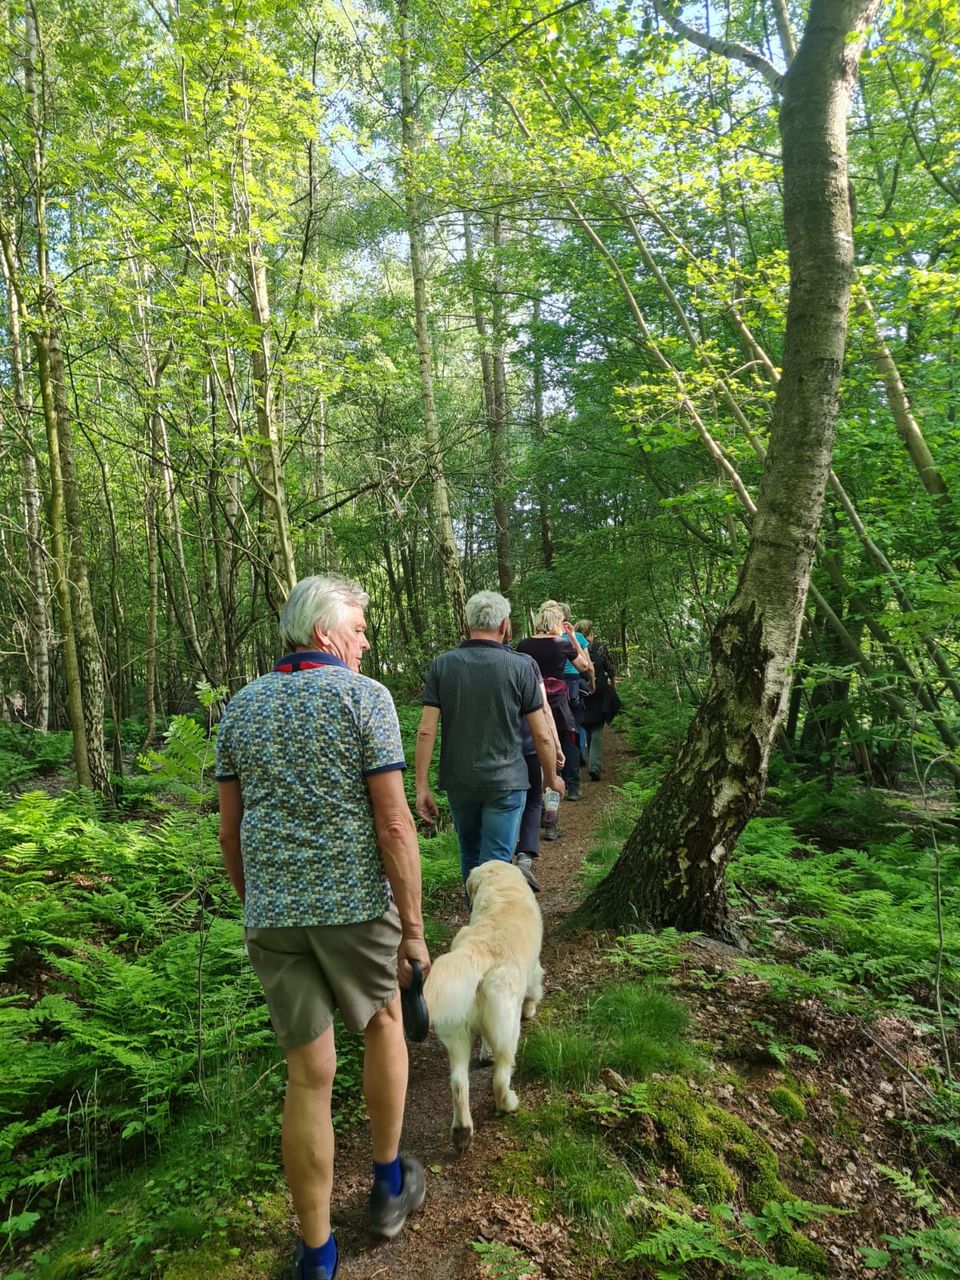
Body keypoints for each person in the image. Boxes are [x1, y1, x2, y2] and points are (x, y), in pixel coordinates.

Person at [216, 575, 431, 1280]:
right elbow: (394, 823)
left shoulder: (241, 708)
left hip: (273, 913)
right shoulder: (363, 698)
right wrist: (414, 930)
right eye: (360, 629)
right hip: (354, 905)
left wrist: (259, 901)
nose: (365, 642)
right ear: (324, 632)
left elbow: (230, 831)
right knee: (384, 1023)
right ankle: (388, 1186)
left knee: (307, 1077)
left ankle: (317, 1255)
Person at [415, 590, 565, 884]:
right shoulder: (520, 666)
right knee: (496, 862)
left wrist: (422, 786)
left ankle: (475, 911)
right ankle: (489, 913)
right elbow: (542, 735)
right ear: (504, 625)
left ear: (467, 623)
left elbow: (426, 730)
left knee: (470, 854)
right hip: (506, 782)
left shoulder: (442, 665)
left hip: (460, 781)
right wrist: (550, 777)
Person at [505, 618, 564, 892]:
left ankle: (506, 856)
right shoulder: (526, 662)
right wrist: (555, 746)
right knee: (533, 799)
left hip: (500, 748)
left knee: (510, 802)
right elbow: (543, 709)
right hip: (528, 742)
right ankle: (525, 858)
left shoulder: (524, 649)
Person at [516, 601, 593, 806]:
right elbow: (584, 665)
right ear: (556, 622)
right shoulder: (562, 644)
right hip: (558, 702)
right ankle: (572, 786)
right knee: (567, 742)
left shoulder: (523, 645)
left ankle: (541, 800)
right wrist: (572, 636)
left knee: (536, 748)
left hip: (531, 703)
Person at [576, 620, 619, 781]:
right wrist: (613, 685)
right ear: (591, 633)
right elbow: (611, 668)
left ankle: (587, 759)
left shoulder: (574, 648)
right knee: (597, 728)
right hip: (599, 690)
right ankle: (594, 766)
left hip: (581, 691)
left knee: (587, 724)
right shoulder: (600, 648)